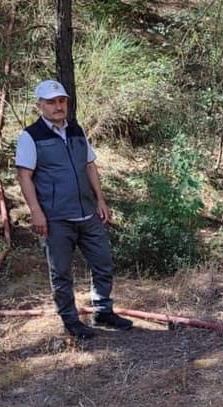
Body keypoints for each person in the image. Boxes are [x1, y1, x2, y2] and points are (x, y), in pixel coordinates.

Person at [15, 80, 132, 339]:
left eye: (61, 101)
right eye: (51, 102)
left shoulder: (76, 130)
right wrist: (35, 211)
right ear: (39, 105)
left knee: (103, 262)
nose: (58, 106)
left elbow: (90, 165)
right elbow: (24, 176)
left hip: (88, 213)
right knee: (61, 273)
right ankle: (70, 320)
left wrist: (101, 200)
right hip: (56, 219)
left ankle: (102, 310)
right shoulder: (30, 136)